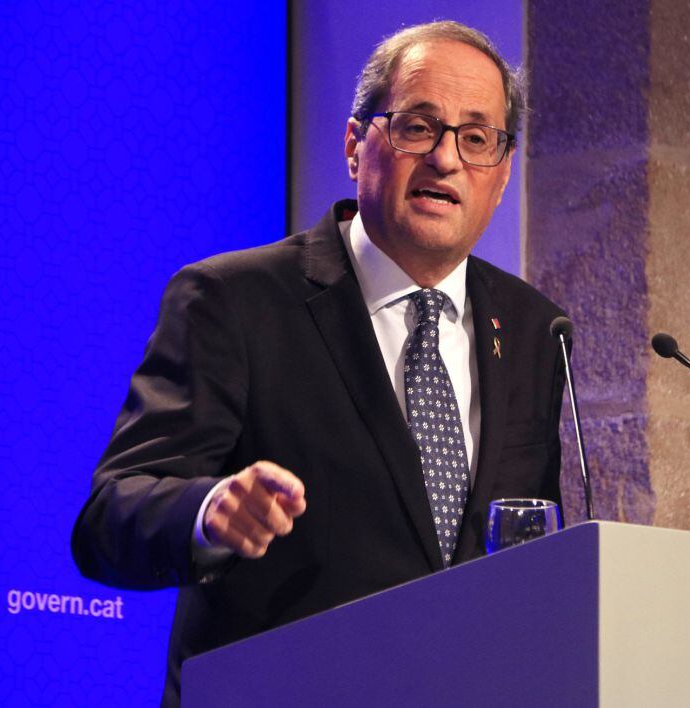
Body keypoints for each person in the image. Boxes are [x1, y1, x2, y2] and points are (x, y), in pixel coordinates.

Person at [71, 20, 566, 705]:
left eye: (476, 138)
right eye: (418, 126)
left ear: (502, 174)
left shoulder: (537, 329)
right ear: (356, 146)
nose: (446, 159)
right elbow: (109, 519)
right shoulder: (235, 301)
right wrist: (210, 511)